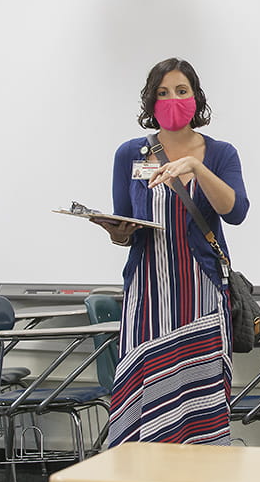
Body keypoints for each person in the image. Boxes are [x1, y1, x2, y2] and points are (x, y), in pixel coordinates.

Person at [93, 57, 250, 447]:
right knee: (143, 395)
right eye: (163, 93)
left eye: (182, 91)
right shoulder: (130, 153)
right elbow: (125, 225)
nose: (173, 99)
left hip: (201, 294)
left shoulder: (220, 154)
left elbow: (236, 212)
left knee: (203, 401)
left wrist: (197, 168)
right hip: (147, 296)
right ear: (151, 101)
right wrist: (116, 232)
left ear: (196, 97)